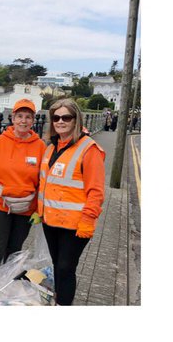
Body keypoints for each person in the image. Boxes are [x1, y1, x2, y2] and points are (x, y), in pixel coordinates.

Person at [38, 98, 104, 306]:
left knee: (66, 268)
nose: (60, 121)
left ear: (76, 119)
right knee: (58, 266)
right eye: (56, 117)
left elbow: (96, 190)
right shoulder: (50, 148)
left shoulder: (89, 149)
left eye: (66, 117)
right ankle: (59, 299)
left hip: (75, 225)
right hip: (51, 221)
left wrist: (88, 219)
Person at [0, 98, 45, 290]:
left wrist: (39, 210)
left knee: (14, 251)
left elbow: (43, 181)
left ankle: (5, 291)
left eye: (28, 117)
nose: (24, 121)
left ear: (33, 120)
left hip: (26, 209)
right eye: (20, 116)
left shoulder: (40, 146)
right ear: (12, 118)